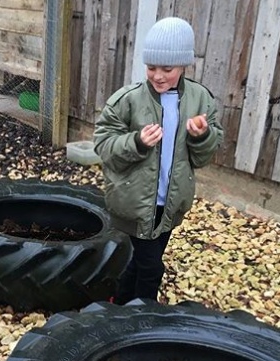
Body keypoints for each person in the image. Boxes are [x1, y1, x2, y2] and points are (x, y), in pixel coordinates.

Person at [93, 17, 224, 305]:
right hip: (135, 202)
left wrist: (202, 136)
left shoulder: (201, 100)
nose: (158, 76)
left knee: (141, 262)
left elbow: (203, 157)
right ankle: (144, 317)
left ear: (184, 65)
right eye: (152, 67)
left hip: (170, 202)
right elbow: (103, 146)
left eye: (168, 69)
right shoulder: (127, 100)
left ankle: (119, 303)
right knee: (152, 267)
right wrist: (137, 142)